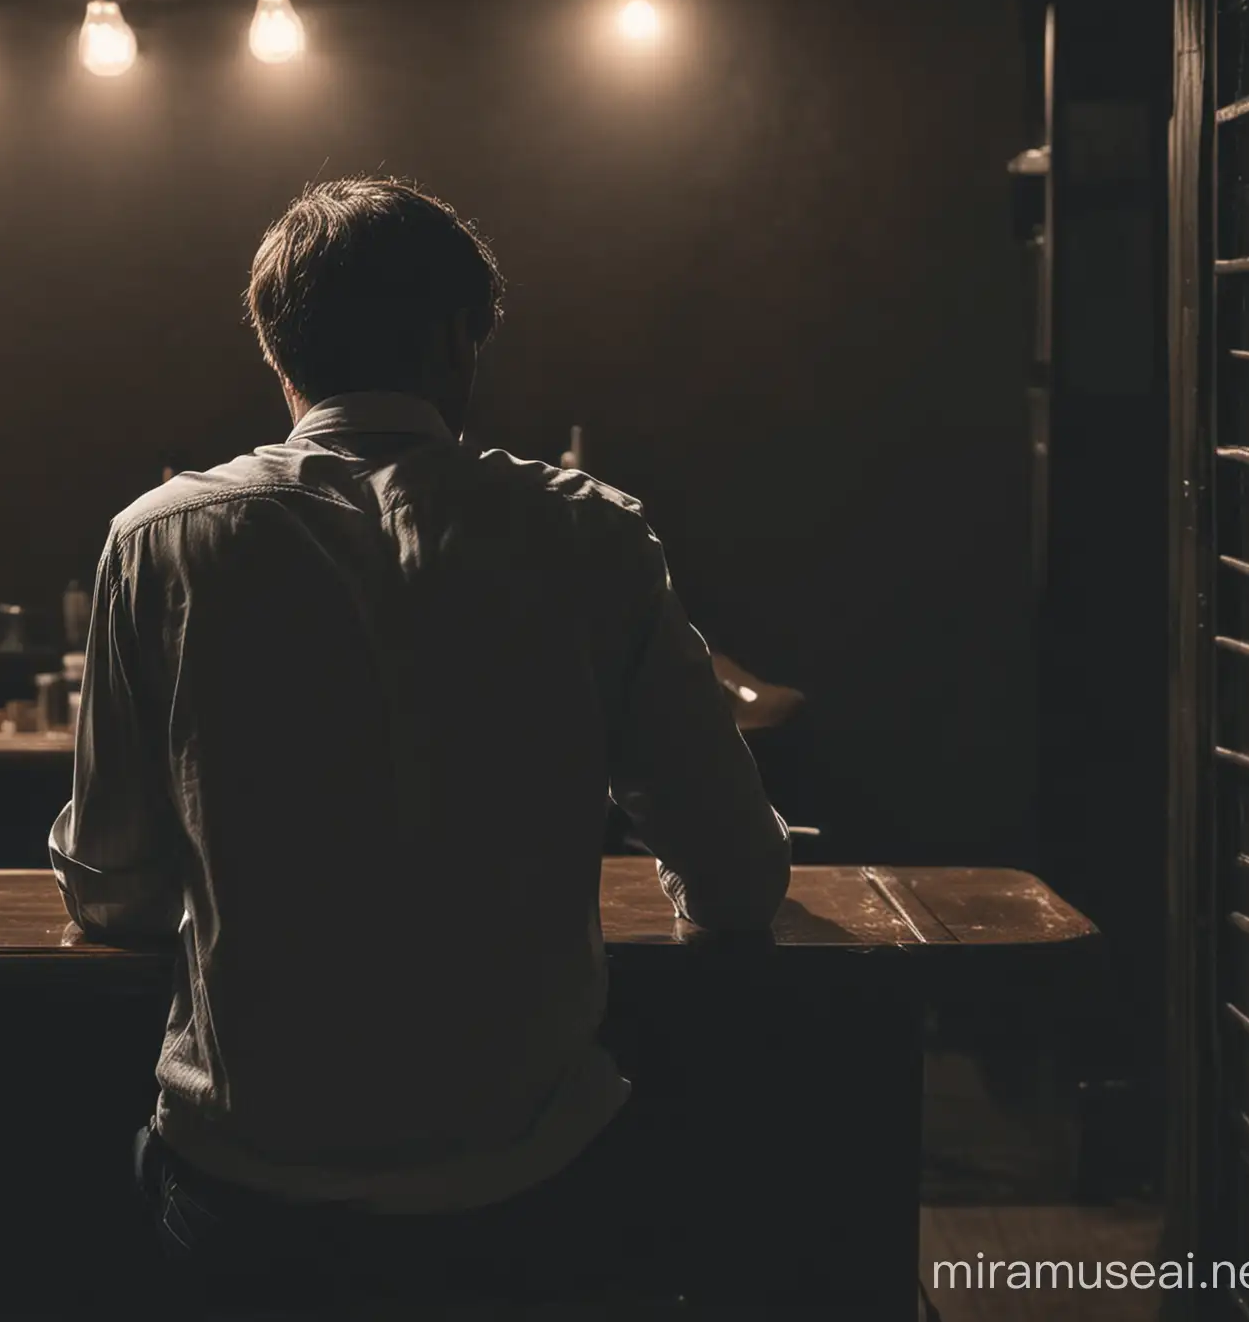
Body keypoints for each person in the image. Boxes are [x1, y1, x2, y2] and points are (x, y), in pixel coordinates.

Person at [47, 177, 790, 1307]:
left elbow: (113, 893)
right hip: (534, 1198)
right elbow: (738, 881)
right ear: (457, 342)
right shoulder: (591, 533)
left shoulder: (158, 542)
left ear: (276, 351)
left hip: (246, 1205)